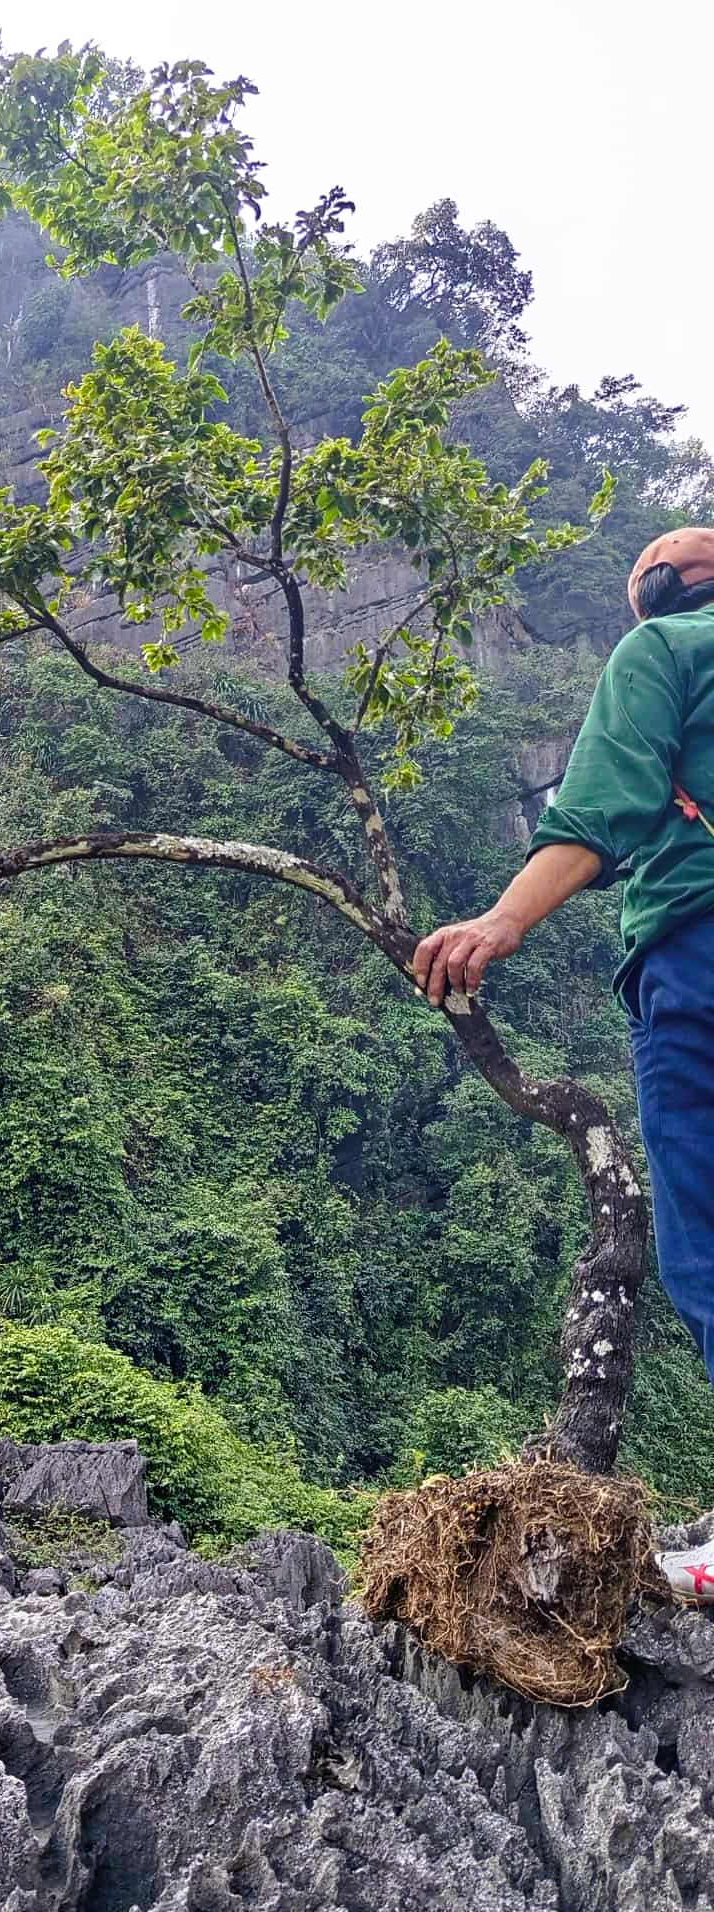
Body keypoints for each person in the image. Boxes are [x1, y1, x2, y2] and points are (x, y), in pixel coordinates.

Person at [414, 527, 714, 1601]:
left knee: (705, 1236)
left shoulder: (664, 651)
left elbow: (601, 812)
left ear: (656, 592)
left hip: (700, 952)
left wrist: (497, 922)